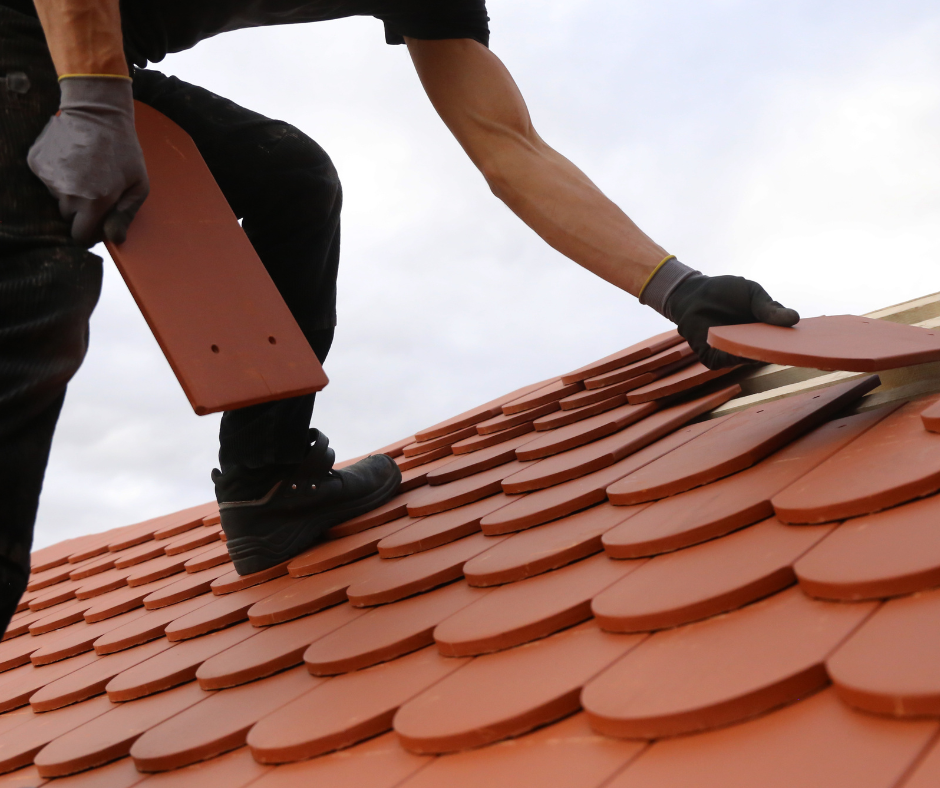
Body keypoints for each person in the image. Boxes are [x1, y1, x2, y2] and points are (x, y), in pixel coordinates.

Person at [0, 0, 798, 632]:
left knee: (291, 180)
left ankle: (268, 483)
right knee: (33, 320)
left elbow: (506, 142)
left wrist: (677, 286)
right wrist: (96, 98)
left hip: (79, 63)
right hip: (33, 52)